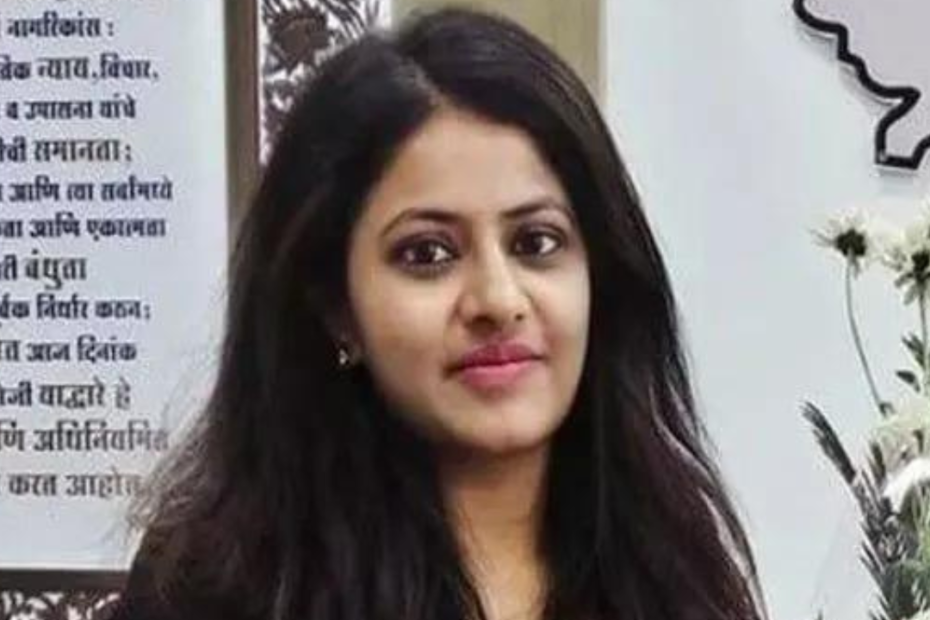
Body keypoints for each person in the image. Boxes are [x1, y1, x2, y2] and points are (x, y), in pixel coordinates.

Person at [111, 6, 765, 620]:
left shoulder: (676, 571)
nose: (498, 301)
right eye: (427, 254)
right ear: (336, 308)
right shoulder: (220, 588)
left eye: (536, 242)